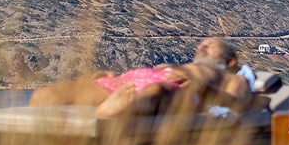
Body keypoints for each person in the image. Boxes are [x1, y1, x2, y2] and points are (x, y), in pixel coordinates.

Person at [31, 37, 254, 120]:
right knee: (44, 95)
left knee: (157, 91)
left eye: (210, 45)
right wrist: (103, 76)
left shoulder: (234, 78)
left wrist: (202, 88)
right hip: (126, 82)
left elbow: (237, 104)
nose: (201, 46)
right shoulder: (181, 65)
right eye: (200, 45)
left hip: (179, 90)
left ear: (230, 60)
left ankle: (116, 110)